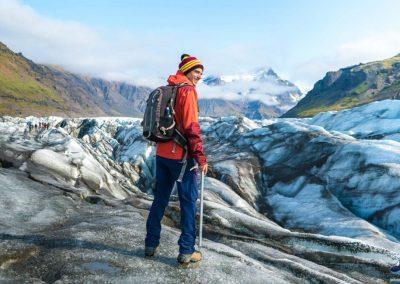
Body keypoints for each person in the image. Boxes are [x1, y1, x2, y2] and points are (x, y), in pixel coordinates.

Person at [144, 54, 208, 266]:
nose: (199, 75)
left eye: (201, 72)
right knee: (188, 202)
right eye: (196, 71)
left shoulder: (169, 88)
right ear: (187, 70)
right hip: (181, 158)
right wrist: (200, 157)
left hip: (162, 154)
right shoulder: (187, 91)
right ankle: (187, 251)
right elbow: (191, 127)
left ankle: (150, 244)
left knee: (160, 199)